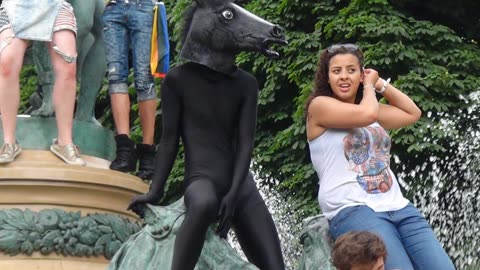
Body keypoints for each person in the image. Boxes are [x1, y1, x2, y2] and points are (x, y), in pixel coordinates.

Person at [127, 0, 287, 269]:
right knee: (202, 205)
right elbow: (168, 141)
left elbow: (246, 142)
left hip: (241, 186)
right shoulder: (177, 80)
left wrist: (235, 192)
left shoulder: (246, 84)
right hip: (202, 180)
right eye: (226, 15)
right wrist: (154, 192)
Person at [305, 43, 455, 270]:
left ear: (360, 73)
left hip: (398, 205)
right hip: (353, 208)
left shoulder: (369, 108)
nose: (344, 76)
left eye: (351, 70)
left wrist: (380, 84)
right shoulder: (320, 106)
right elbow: (367, 113)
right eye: (336, 71)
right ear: (327, 77)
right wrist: (368, 87)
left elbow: (412, 113)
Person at [0, 0, 85, 166]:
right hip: (16, 5)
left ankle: (64, 143)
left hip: (56, 4)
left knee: (68, 68)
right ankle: (8, 142)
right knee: (7, 63)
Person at [102, 0, 157, 180]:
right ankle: (124, 148)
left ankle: (148, 154)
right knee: (115, 76)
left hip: (144, 6)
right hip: (113, 9)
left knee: (144, 78)